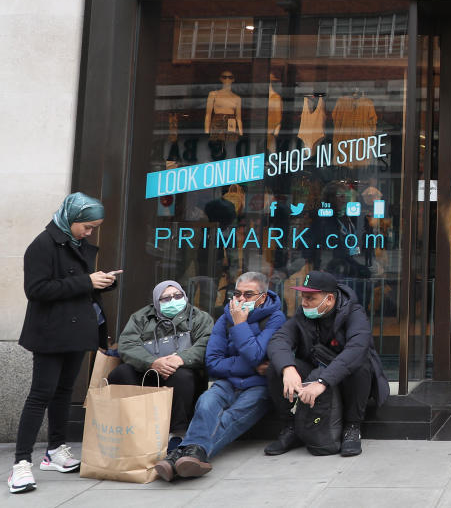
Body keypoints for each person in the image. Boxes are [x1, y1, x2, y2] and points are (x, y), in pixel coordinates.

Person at [10, 194, 114, 495]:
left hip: (77, 331)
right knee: (40, 394)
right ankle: (20, 464)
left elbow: (81, 284)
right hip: (50, 333)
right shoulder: (43, 245)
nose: (90, 232)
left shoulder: (75, 243)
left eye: (94, 227)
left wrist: (103, 281)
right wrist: (87, 282)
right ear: (71, 219)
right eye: (87, 226)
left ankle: (55, 450)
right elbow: (37, 289)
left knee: (64, 392)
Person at [155, 271, 286, 481]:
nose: (241, 299)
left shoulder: (276, 318)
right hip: (227, 382)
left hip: (259, 387)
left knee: (231, 417)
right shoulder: (225, 317)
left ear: (262, 297)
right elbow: (213, 363)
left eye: (248, 295)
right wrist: (253, 366)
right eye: (237, 294)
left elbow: (255, 354)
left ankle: (178, 456)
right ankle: (190, 458)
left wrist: (240, 324)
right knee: (206, 403)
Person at [264, 271, 390, 457]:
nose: (304, 302)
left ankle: (352, 427)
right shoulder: (303, 315)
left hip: (344, 379)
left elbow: (356, 349)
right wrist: (288, 368)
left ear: (329, 299)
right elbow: (279, 340)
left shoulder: (354, 313)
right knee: (277, 367)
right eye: (303, 297)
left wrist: (322, 381)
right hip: (316, 371)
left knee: (360, 364)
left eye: (310, 298)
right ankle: (292, 426)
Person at [111, 280, 214, 452]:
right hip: (147, 372)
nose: (173, 301)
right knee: (121, 373)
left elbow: (207, 343)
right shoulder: (141, 317)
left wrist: (180, 359)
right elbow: (127, 344)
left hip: (182, 374)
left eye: (178, 296)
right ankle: (134, 427)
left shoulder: (199, 317)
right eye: (166, 298)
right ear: (156, 302)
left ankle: (177, 433)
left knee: (182, 376)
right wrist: (152, 362)